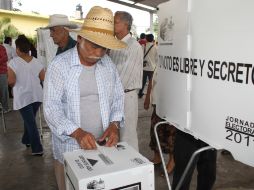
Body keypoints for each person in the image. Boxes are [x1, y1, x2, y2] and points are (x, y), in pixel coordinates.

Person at [43, 6, 126, 190]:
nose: (99, 53)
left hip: (102, 146)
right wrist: (78, 133)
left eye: (104, 48)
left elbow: (118, 97)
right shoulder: (59, 66)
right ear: (79, 38)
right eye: (94, 46)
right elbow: (51, 108)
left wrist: (114, 124)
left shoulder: (108, 65)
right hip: (70, 148)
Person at [109, 11, 143, 151]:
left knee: (127, 136)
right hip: (116, 94)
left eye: (115, 22)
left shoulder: (133, 47)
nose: (112, 25)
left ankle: (132, 168)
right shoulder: (116, 44)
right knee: (115, 134)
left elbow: (124, 77)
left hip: (126, 95)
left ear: (126, 24)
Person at [7, 35, 45, 156]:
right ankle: (26, 140)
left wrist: (11, 84)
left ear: (17, 49)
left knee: (30, 122)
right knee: (30, 120)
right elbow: (43, 78)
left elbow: (11, 81)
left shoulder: (13, 63)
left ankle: (37, 148)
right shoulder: (37, 61)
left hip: (23, 96)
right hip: (37, 95)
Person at [144, 68, 176, 177]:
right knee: (155, 132)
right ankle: (157, 157)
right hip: (157, 105)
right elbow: (152, 82)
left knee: (170, 135)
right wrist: (147, 97)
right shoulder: (158, 62)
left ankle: (172, 161)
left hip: (170, 106)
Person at [138, 34, 158, 98]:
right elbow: (157, 58)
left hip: (144, 67)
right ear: (152, 39)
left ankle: (140, 93)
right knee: (151, 83)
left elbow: (140, 55)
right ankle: (151, 95)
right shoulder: (155, 47)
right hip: (152, 68)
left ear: (146, 39)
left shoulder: (143, 46)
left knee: (143, 82)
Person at [0, 44, 10, 112]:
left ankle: (5, 108)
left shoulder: (1, 47)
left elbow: (5, 58)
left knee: (3, 91)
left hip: (2, 72)